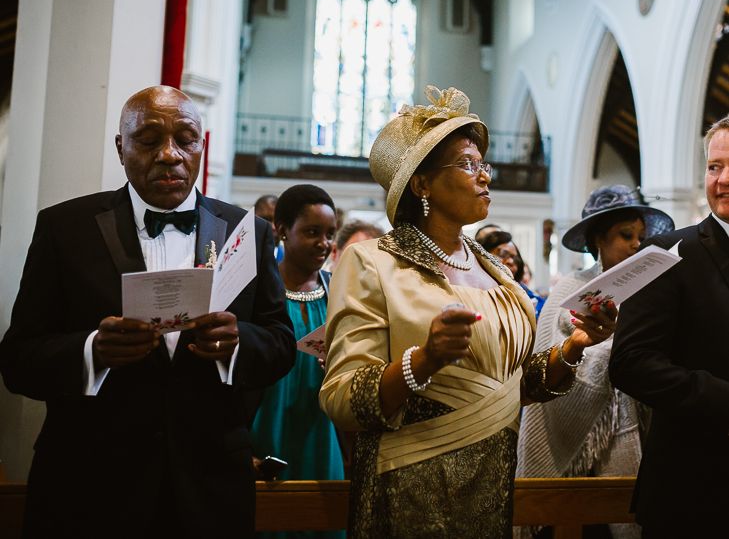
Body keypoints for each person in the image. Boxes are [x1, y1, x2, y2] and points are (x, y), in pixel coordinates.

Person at [0, 86, 296, 539]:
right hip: (88, 487)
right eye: (149, 139)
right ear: (121, 148)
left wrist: (235, 346)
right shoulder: (65, 229)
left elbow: (280, 343)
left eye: (186, 138)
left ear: (202, 145)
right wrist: (92, 351)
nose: (170, 155)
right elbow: (18, 359)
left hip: (209, 488)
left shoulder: (246, 231)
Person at [319, 86, 615, 539]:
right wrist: (425, 360)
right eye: (467, 164)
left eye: (484, 164)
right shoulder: (373, 262)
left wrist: (575, 346)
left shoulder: (496, 271)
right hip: (409, 494)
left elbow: (515, 384)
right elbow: (341, 398)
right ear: (421, 183)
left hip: (492, 492)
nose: (485, 177)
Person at [516, 185, 674, 539]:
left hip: (627, 434)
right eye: (625, 235)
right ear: (598, 239)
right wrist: (606, 347)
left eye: (641, 237)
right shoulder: (571, 287)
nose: (636, 244)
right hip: (572, 433)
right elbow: (550, 360)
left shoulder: (647, 293)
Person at [609, 116, 729, 537]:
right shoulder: (669, 253)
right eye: (714, 167)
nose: (723, 179)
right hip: (694, 491)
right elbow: (630, 363)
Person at [250, 185, 345, 513]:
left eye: (330, 234)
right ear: (281, 231)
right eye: (312, 232)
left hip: (321, 428)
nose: (324, 243)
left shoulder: (340, 291)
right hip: (267, 420)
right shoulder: (258, 293)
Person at [480, 229, 546, 317]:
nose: (511, 261)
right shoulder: (477, 290)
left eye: (515, 258)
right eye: (503, 254)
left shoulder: (532, 298)